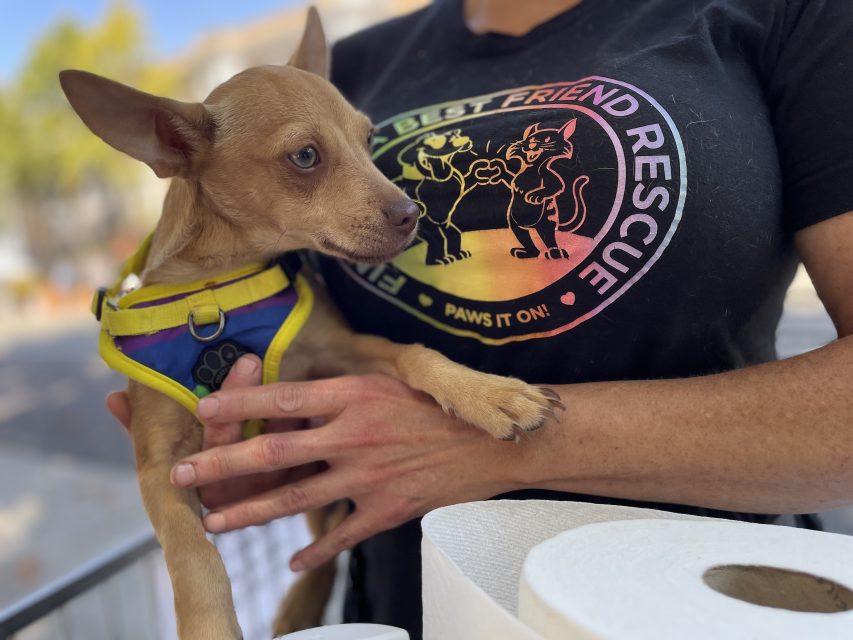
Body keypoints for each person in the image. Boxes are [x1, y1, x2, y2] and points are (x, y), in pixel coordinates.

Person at [108, 0, 853, 636]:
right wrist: (259, 462)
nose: (398, 202)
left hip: (699, 600)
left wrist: (496, 449)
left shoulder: (783, 14)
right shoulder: (355, 64)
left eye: (362, 147)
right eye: (308, 157)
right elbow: (292, 343)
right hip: (413, 604)